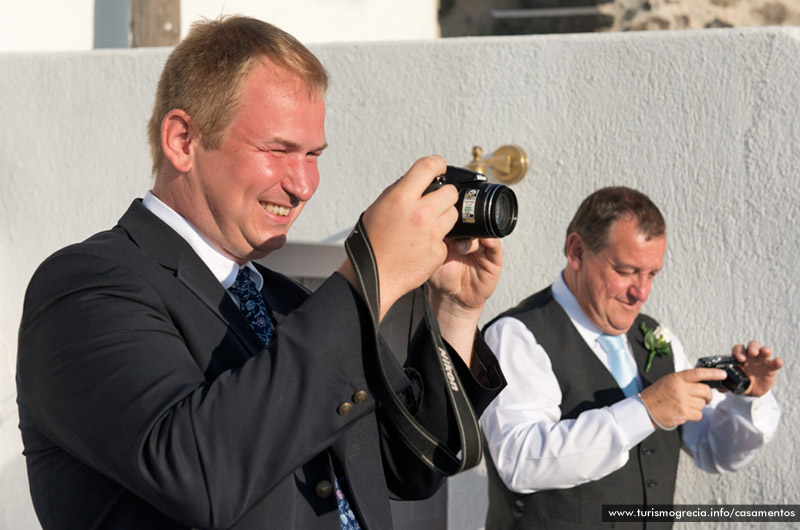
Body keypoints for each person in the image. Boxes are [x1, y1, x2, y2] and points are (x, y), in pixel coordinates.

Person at [16, 16, 505, 530]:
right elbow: (199, 473)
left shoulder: (289, 302)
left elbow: (409, 465)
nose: (304, 185)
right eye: (279, 150)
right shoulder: (85, 288)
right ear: (182, 140)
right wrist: (369, 278)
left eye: (313, 154)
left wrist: (455, 310)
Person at [480, 186, 782, 529]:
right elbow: (519, 461)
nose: (642, 291)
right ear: (577, 251)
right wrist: (644, 411)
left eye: (652, 274)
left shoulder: (655, 336)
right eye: (626, 271)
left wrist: (747, 400)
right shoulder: (516, 335)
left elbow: (713, 452)